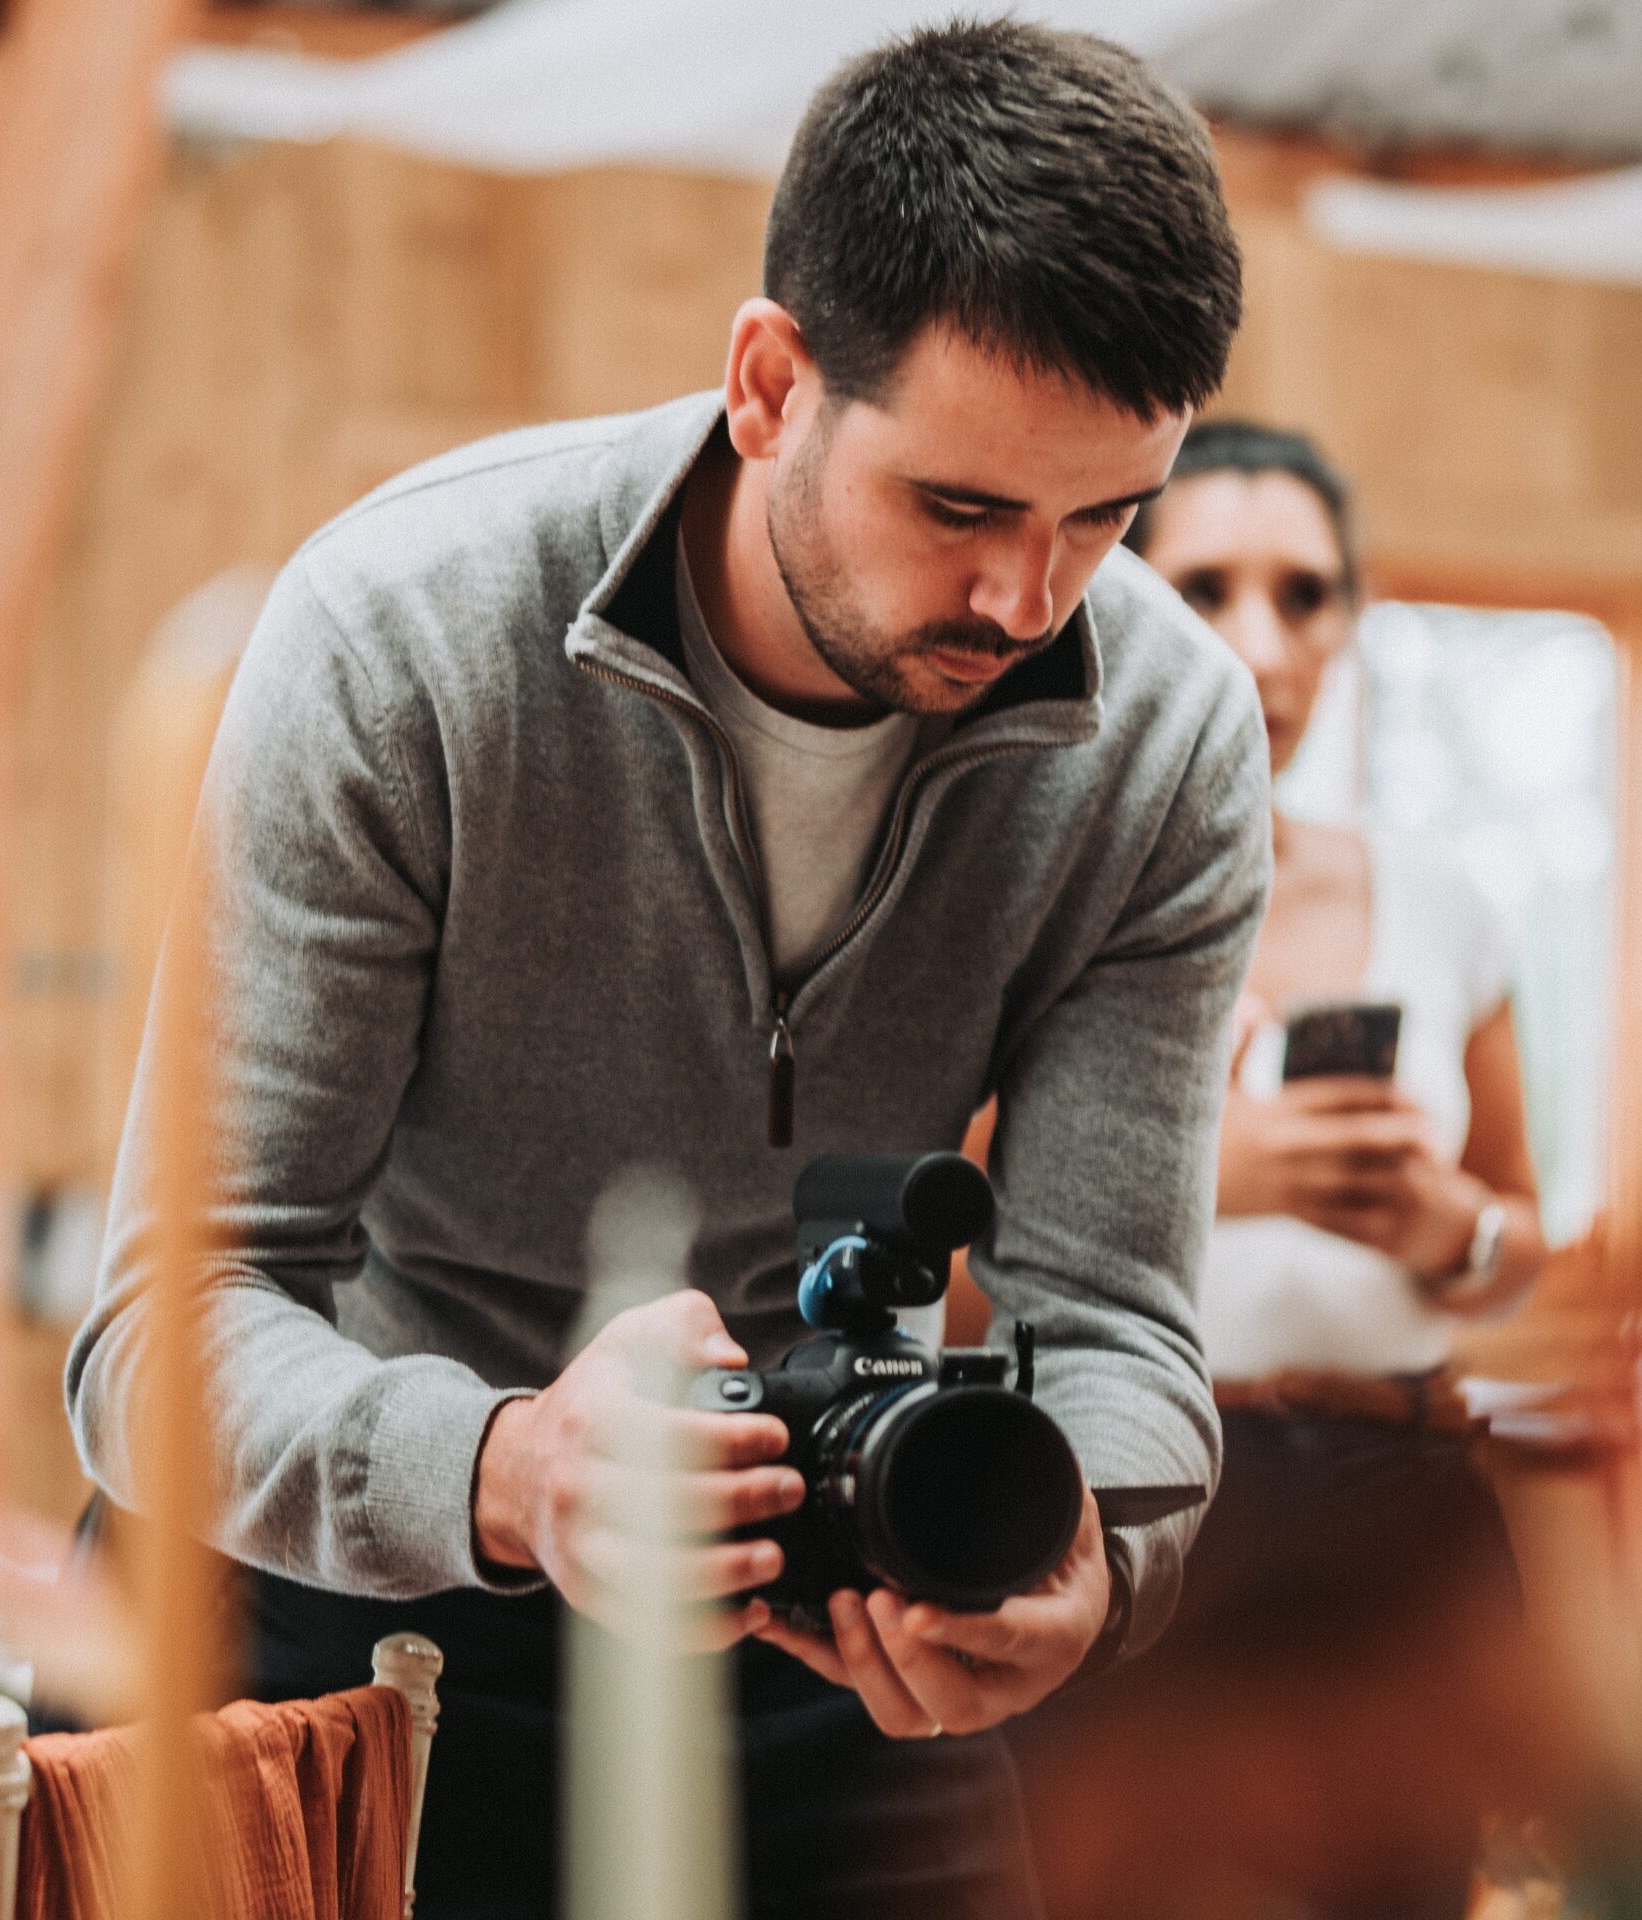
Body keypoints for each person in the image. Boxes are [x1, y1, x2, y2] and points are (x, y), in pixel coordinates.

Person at [66, 24, 1264, 1920]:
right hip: (361, 1593)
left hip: (832, 1624)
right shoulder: (400, 640)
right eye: (960, 507)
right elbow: (161, 1331)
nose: (1032, 606)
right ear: (771, 381)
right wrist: (519, 1468)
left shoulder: (1172, 742)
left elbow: (1115, 1321)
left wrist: (1097, 1563)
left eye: (1107, 518)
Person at [1019, 422, 1549, 1920]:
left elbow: (1525, 1245)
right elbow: (950, 1273)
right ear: (1116, 597)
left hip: (1399, 1495)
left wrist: (1448, 1225)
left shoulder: (1443, 905)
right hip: (1142, 1505)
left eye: (1306, 595)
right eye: (1206, 587)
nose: (1263, 641)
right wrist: (1205, 1179)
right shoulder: (1042, 892)